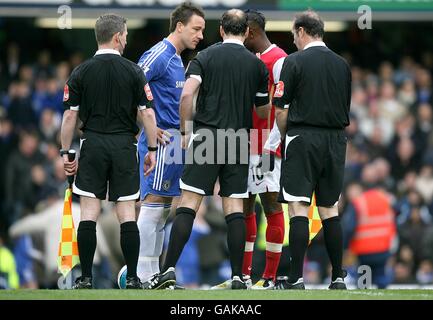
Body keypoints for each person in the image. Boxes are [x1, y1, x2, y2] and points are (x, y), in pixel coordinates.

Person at [146, 9, 271, 290]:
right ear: (247, 32)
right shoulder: (257, 66)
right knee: (234, 207)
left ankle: (167, 271)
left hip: (206, 136)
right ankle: (239, 276)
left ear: (222, 30)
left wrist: (185, 131)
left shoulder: (204, 57)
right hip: (239, 139)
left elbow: (188, 93)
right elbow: (263, 110)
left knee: (189, 204)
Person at [61, 13, 157, 289]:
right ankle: (135, 278)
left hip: (92, 144)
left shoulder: (80, 71)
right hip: (124, 146)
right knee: (127, 212)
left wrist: (65, 151)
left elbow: (69, 119)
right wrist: (151, 148)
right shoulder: (133, 71)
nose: (126, 40)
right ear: (117, 37)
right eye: (125, 36)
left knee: (89, 212)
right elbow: (148, 116)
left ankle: (86, 278)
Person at [273, 10, 351, 290]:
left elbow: (280, 109)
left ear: (302, 31)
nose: (294, 40)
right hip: (336, 140)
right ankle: (339, 277)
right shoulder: (343, 65)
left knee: (299, 208)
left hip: (303, 137)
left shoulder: (293, 62)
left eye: (294, 34)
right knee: (330, 209)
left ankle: (296, 278)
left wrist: (284, 138)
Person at [211, 9, 287, 290]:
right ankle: (242, 276)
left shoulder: (279, 61)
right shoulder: (250, 61)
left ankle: (269, 278)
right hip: (242, 144)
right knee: (243, 208)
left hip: (265, 147)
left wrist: (272, 147)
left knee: (270, 204)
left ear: (250, 32)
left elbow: (283, 110)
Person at [135, 2, 205, 285]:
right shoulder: (160, 53)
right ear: (179, 26)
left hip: (175, 143)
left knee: (163, 208)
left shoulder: (177, 58)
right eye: (196, 28)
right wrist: (148, 127)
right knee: (153, 203)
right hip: (162, 141)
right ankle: (140, 274)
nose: (200, 35)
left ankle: (153, 273)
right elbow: (134, 81)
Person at [342, 186, 396, 289]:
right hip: (383, 248)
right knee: (381, 280)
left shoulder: (358, 202)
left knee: (364, 283)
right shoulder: (386, 200)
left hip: (364, 251)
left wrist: (346, 248)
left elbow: (349, 228)